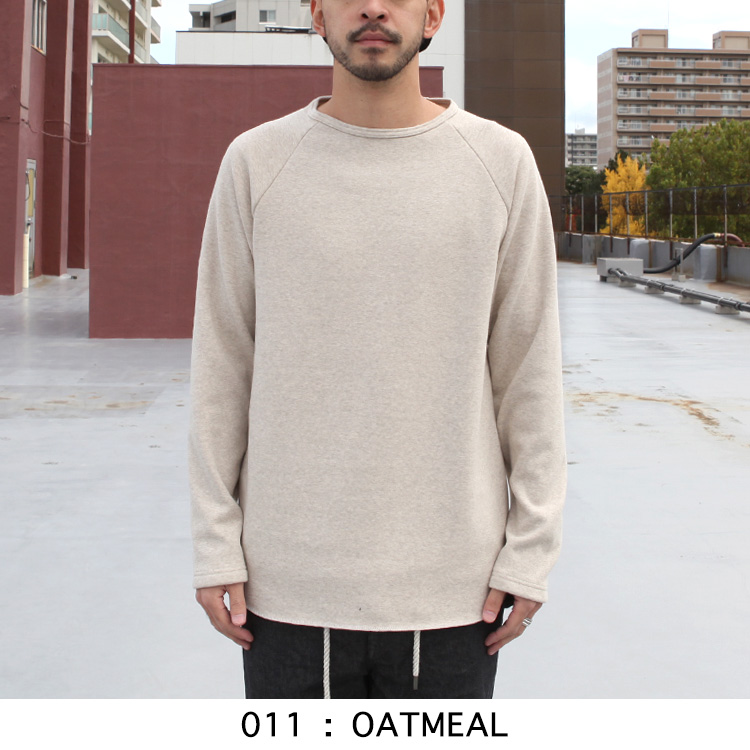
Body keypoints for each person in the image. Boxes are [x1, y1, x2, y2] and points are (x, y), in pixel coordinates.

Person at [188, 0, 566, 700]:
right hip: (286, 588)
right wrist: (215, 543)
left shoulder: (501, 163)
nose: (371, 7)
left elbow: (529, 375)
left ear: (433, 16)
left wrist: (531, 550)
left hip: (458, 591)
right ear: (317, 15)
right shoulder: (256, 163)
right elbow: (221, 368)